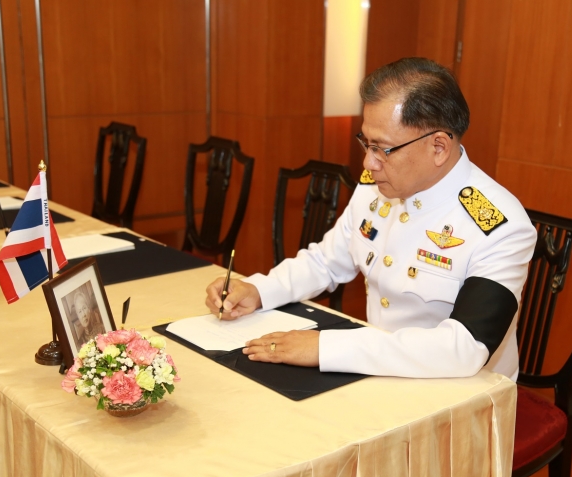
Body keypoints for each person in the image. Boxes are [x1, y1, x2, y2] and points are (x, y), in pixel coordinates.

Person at [205, 57, 537, 380]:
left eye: (382, 148)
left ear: (438, 147)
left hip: (458, 397)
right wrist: (259, 290)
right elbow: (327, 261)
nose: (368, 162)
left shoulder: (500, 226)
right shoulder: (379, 187)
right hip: (377, 371)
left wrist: (326, 348)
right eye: (366, 142)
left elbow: (464, 347)